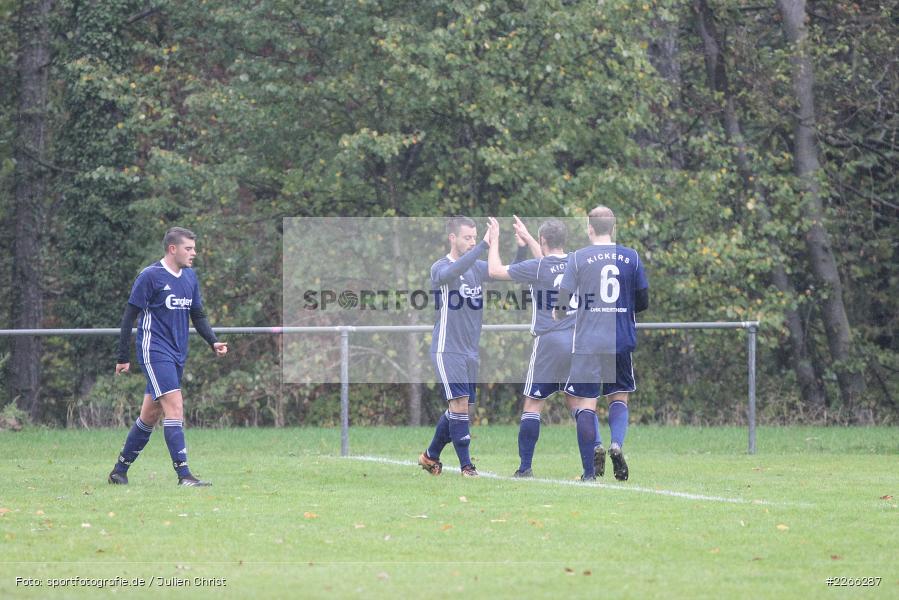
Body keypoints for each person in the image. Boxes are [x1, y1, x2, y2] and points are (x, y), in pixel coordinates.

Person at [108, 227, 228, 487]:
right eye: (189, 248)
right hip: (154, 351)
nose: (194, 253)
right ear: (172, 249)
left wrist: (213, 341)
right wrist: (123, 355)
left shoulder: (190, 277)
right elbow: (129, 316)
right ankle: (184, 475)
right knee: (175, 406)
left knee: (150, 415)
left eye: (194, 248)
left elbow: (198, 315)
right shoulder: (150, 276)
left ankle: (119, 471)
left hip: (177, 353)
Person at [418, 216, 522, 478]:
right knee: (460, 405)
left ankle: (430, 456)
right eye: (467, 237)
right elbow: (453, 272)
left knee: (460, 409)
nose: (472, 242)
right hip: (447, 348)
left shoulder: (476, 266)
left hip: (469, 351)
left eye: (475, 238)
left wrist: (520, 247)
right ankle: (467, 467)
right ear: (452, 238)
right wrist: (483, 247)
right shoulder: (439, 267)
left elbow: (507, 272)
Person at [487, 216, 587, 478]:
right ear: (564, 240)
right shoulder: (576, 262)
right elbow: (549, 264)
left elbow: (495, 271)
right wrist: (530, 237)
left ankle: (525, 468)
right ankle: (590, 466)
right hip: (577, 340)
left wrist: (494, 239)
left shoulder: (538, 267)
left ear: (544, 241)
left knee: (533, 405)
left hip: (549, 340)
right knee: (578, 404)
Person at [558, 206, 649, 481]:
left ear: (589, 228)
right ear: (614, 227)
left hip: (588, 342)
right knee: (619, 396)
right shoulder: (631, 257)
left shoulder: (577, 259)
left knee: (586, 403)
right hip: (619, 340)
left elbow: (562, 303)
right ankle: (616, 444)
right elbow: (643, 302)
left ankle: (590, 465)